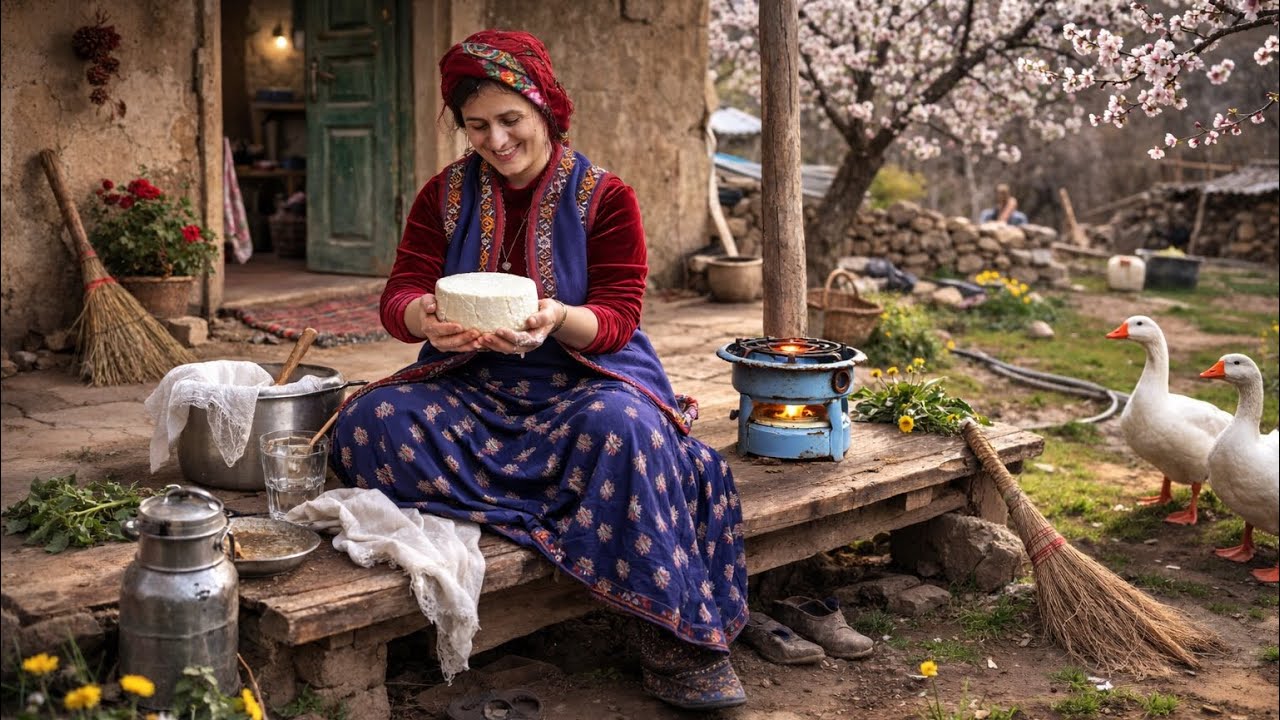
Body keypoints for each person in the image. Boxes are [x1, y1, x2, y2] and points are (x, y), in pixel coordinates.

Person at [327, 30, 749, 711]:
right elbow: (400, 291)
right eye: (476, 126)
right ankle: (571, 510)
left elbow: (617, 316)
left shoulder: (606, 198)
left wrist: (558, 317)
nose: (496, 140)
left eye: (510, 120)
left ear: (545, 109)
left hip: (583, 391)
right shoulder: (444, 195)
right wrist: (424, 320)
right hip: (470, 388)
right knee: (369, 420)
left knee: (626, 431)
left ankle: (674, 636)